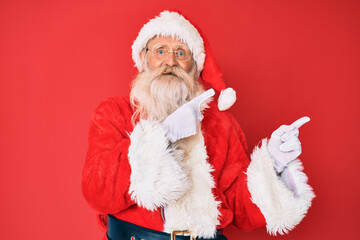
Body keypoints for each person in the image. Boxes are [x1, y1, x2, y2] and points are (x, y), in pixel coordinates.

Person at [82, 10, 315, 240]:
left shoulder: (221, 124)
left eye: (181, 53)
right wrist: (162, 136)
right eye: (160, 51)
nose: (170, 61)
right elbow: (96, 192)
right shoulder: (114, 112)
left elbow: (240, 210)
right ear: (143, 59)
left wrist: (273, 164)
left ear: (194, 66)